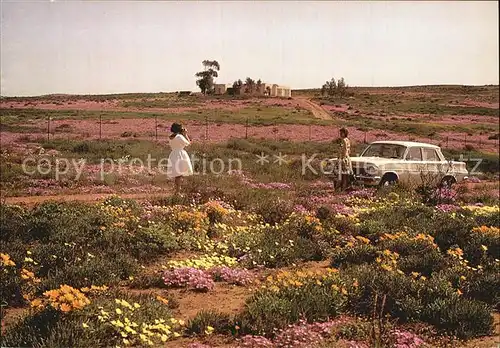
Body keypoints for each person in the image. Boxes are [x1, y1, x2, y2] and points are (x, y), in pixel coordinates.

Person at [167, 123, 193, 195]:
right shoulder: (179, 137)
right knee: (179, 174)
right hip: (180, 155)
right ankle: (178, 191)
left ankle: (177, 190)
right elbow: (188, 143)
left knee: (177, 174)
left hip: (173, 154)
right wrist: (185, 134)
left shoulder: (170, 137)